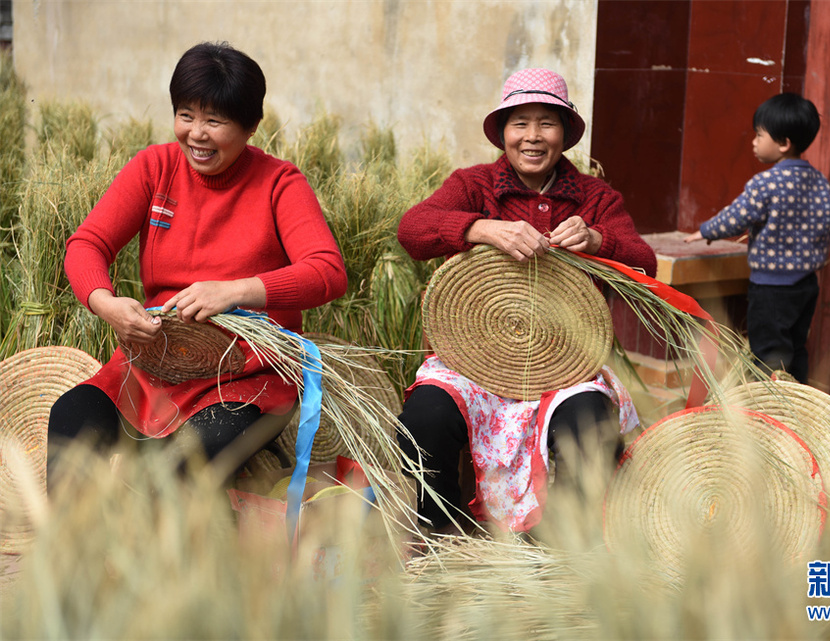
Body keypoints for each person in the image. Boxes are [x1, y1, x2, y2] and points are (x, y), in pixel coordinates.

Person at [47, 42, 347, 480]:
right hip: (158, 361)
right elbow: (87, 244)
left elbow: (328, 271)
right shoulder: (155, 167)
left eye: (215, 120)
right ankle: (71, 549)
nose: (196, 134)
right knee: (70, 422)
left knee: (185, 463)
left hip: (250, 374)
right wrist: (104, 302)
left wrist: (235, 291)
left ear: (251, 128)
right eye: (186, 115)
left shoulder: (280, 183)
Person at [395, 68, 657, 535]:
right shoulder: (473, 185)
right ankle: (442, 534)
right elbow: (413, 229)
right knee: (426, 416)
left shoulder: (596, 198)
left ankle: (561, 544)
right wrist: (479, 227)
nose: (532, 137)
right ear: (502, 132)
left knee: (589, 425)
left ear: (565, 133)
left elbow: (645, 266)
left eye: (547, 123)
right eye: (520, 123)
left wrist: (599, 239)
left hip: (566, 364)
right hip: (473, 359)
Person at [684, 92, 830, 384]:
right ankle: (801, 401)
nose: (753, 142)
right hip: (806, 285)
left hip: (770, 289)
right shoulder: (819, 181)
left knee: (768, 352)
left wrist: (706, 231)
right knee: (796, 347)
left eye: (759, 135)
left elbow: (737, 216)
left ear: (783, 143)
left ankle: (770, 408)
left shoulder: (766, 183)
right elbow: (828, 224)